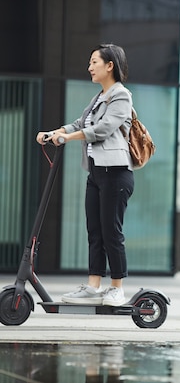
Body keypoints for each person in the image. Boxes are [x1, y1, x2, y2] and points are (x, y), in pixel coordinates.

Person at [36, 43, 134, 307]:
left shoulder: (121, 96)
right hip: (96, 173)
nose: (89, 67)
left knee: (112, 232)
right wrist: (53, 132)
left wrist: (67, 137)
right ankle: (93, 286)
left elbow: (102, 130)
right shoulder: (98, 98)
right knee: (95, 231)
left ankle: (117, 287)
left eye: (94, 62)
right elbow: (80, 125)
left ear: (109, 65)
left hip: (116, 174)